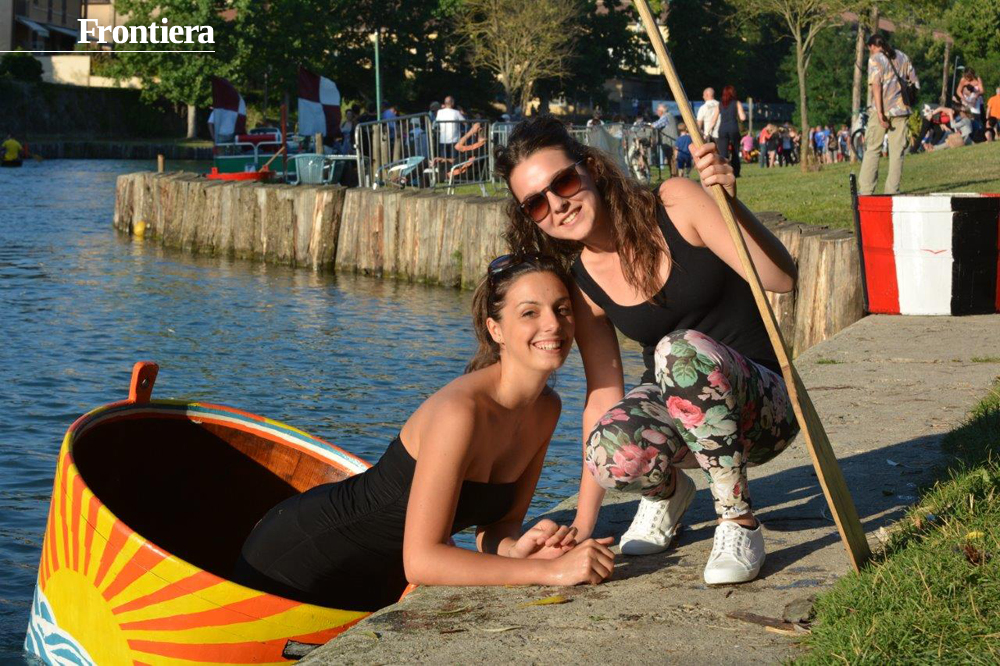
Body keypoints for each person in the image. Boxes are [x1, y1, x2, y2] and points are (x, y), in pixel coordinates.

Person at [496, 116, 800, 585]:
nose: (557, 204)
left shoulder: (675, 203)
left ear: (591, 167)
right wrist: (582, 524)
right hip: (682, 420)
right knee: (606, 447)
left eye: (564, 182)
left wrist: (732, 206)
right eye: (536, 203)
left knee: (678, 351)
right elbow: (603, 394)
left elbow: (781, 279)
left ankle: (738, 521)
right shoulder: (584, 281)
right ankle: (667, 494)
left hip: (761, 409)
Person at [235, 255, 615, 611]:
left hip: (375, 576)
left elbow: (497, 527)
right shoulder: (459, 413)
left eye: (561, 309)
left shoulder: (547, 409)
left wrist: (519, 550)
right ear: (496, 329)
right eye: (530, 312)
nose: (552, 324)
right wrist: (549, 572)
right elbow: (421, 561)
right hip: (298, 557)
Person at [858, 34, 919, 195]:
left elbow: (876, 86)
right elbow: (914, 81)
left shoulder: (875, 59)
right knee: (897, 152)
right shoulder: (902, 56)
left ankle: (866, 190)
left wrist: (880, 113)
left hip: (881, 109)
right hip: (901, 109)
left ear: (872, 46)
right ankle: (892, 190)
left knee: (873, 148)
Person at [712, 85, 745, 178]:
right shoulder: (737, 103)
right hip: (733, 128)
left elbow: (714, 120)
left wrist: (708, 130)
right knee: (735, 151)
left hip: (722, 129)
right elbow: (743, 117)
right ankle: (736, 172)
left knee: (723, 152)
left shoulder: (720, 104)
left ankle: (724, 172)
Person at [434, 96, 465, 162]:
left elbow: (436, 123)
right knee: (454, 161)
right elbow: (465, 122)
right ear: (452, 103)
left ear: (445, 103)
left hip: (443, 139)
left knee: (443, 161)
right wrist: (462, 113)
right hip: (454, 139)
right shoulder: (456, 112)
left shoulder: (439, 112)